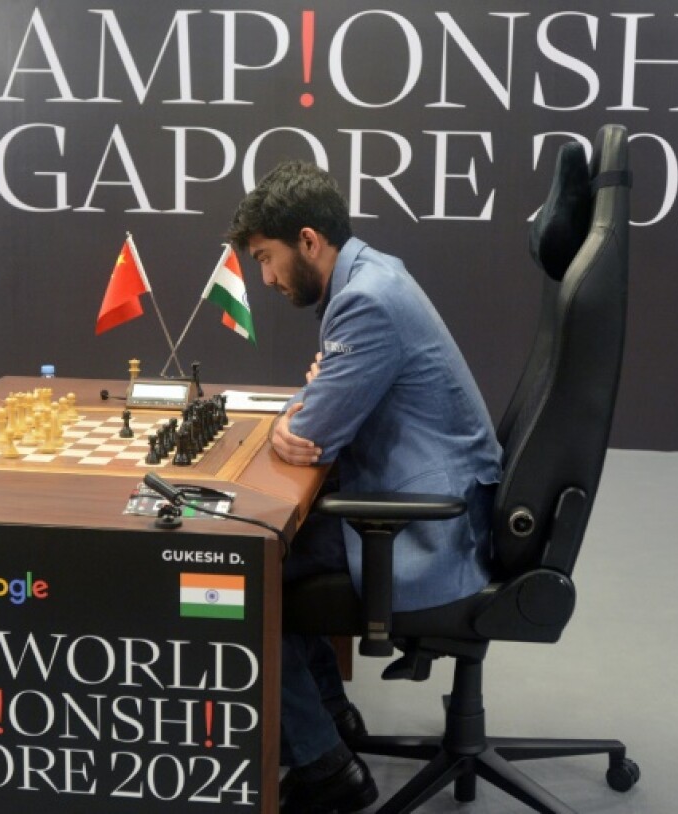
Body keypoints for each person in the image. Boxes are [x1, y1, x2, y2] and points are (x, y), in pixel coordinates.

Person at [227, 161, 502, 813]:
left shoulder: (365, 300)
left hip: (427, 530)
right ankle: (332, 722)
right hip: (431, 501)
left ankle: (326, 772)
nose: (265, 279)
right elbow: (322, 402)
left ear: (309, 241)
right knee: (273, 555)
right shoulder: (373, 273)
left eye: (267, 259)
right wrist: (311, 398)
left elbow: (313, 430)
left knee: (240, 576)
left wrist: (297, 413)